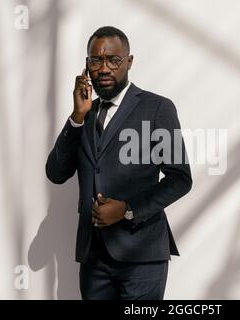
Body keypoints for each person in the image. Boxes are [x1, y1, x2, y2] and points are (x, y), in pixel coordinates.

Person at [45, 26, 192, 300]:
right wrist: (77, 117)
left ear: (129, 62)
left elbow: (180, 179)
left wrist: (127, 210)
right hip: (94, 258)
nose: (104, 68)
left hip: (142, 256)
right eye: (95, 61)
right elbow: (55, 173)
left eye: (113, 60)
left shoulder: (157, 108)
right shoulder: (85, 115)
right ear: (86, 66)